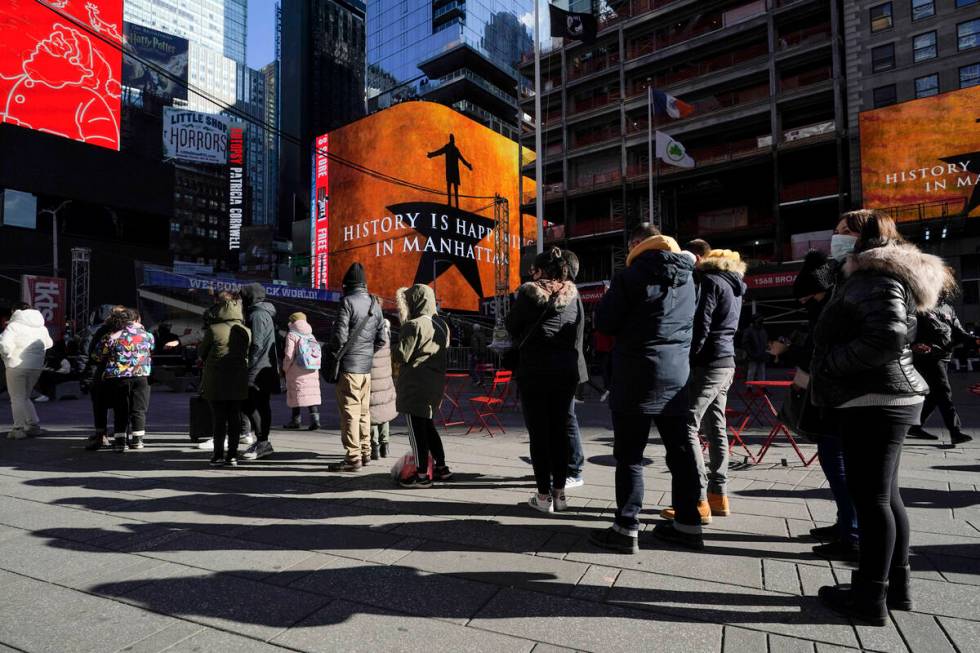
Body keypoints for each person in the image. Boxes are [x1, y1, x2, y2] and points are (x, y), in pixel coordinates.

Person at [811, 213, 946, 626]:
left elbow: (887, 335)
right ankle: (893, 588)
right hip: (884, 395)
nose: (835, 239)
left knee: (871, 499)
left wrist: (833, 363)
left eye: (843, 233)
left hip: (873, 396)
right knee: (885, 496)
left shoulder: (873, 275)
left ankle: (870, 596)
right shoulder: (874, 274)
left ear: (866, 238)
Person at [590, 224, 699, 553]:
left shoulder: (630, 277)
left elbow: (605, 323)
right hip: (677, 375)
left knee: (630, 457)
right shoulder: (689, 278)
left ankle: (626, 527)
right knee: (679, 454)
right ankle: (689, 525)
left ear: (638, 247)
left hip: (636, 375)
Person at [662, 246, 746, 525]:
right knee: (716, 426)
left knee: (688, 423)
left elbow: (702, 325)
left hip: (708, 363)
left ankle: (697, 499)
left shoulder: (710, 282)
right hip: (727, 362)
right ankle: (718, 495)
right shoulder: (736, 285)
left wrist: (688, 357)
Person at [787, 248, 860, 562]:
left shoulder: (837, 306)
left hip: (844, 397)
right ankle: (846, 524)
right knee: (836, 463)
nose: (804, 303)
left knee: (839, 463)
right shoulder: (828, 302)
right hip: (834, 394)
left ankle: (853, 534)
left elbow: (824, 349)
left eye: (808, 297)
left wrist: (794, 354)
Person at [506, 248, 584, 512]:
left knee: (539, 434)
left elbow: (512, 325)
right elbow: (580, 328)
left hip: (535, 371)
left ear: (539, 270)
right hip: (565, 370)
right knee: (560, 431)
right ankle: (560, 496)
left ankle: (542, 497)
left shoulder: (528, 293)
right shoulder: (573, 295)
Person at [327, 263, 386, 471]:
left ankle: (353, 458)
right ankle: (365, 451)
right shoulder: (374, 304)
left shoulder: (347, 302)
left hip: (349, 367)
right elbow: (382, 339)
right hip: (366, 368)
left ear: (347, 284)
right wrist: (366, 353)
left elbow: (339, 338)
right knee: (363, 412)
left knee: (350, 412)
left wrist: (334, 352)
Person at [393, 283, 452, 487]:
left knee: (416, 433)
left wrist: (394, 343)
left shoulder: (413, 325)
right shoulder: (441, 325)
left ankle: (421, 475)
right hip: (434, 385)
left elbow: (402, 355)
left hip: (414, 386)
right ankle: (442, 468)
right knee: (429, 427)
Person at [908, 269, 974, 445]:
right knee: (943, 392)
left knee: (934, 395)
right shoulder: (918, 306)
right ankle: (955, 432)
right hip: (926, 357)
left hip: (943, 356)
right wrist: (913, 345)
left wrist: (975, 341)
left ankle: (915, 426)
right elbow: (906, 329)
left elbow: (959, 332)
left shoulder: (947, 308)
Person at [198, 293, 250, 466]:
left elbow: (202, 353)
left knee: (219, 419)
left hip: (216, 380)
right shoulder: (246, 330)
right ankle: (233, 456)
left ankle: (218, 455)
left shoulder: (214, 329)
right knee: (235, 417)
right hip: (238, 379)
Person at [96, 309, 155, 452]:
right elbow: (151, 349)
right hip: (141, 376)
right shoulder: (148, 335)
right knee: (139, 409)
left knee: (120, 409)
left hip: (117, 377)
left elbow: (99, 355)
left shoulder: (112, 336)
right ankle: (137, 440)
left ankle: (120, 442)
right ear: (136, 320)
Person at [0, 304, 53, 439]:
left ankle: (18, 428)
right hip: (36, 367)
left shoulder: (14, 326)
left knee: (17, 397)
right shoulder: (42, 327)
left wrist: (7, 356)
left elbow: (4, 345)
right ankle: (33, 425)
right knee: (24, 397)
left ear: (15, 311)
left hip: (15, 366)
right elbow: (49, 343)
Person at [239, 283, 279, 460]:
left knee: (249, 403)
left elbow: (257, 343)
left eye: (243, 296)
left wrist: (249, 365)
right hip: (265, 367)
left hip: (257, 368)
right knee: (261, 404)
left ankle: (263, 442)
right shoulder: (264, 312)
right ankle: (263, 442)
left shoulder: (256, 314)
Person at [81, 305, 126, 450]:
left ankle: (102, 436)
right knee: (122, 406)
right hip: (123, 374)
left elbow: (92, 354)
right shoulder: (130, 331)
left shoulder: (102, 331)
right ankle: (122, 437)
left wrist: (85, 373)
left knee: (100, 405)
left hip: (102, 373)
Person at [282, 312, 322, 431]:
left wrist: (285, 367)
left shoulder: (291, 335)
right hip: (311, 368)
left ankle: (295, 420)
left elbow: (289, 355)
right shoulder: (310, 335)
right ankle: (315, 420)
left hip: (296, 369)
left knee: (296, 393)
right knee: (311, 394)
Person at [370, 317, 397, 460]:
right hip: (385, 381)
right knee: (384, 415)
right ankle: (385, 446)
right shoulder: (386, 340)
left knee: (372, 415)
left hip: (372, 382)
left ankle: (374, 447)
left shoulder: (369, 340)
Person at [742, 316, 768, 381]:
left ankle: (761, 386)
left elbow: (765, 342)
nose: (760, 324)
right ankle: (749, 388)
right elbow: (745, 343)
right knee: (752, 371)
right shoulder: (749, 331)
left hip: (760, 355)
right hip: (753, 355)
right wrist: (750, 353)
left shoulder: (762, 331)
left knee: (761, 372)